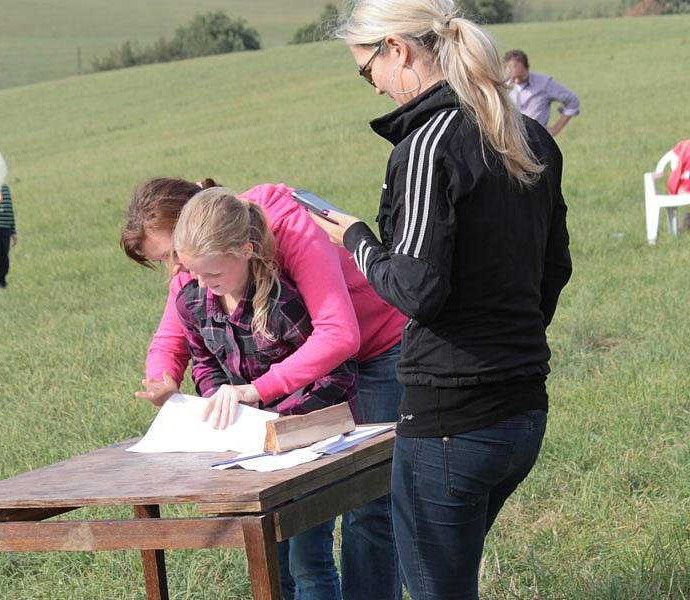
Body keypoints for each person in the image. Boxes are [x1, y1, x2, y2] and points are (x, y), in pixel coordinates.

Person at [309, 2, 572, 598]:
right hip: (523, 411)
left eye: (365, 69)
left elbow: (416, 290)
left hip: (451, 423)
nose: (372, 85)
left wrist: (355, 239)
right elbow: (554, 267)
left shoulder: (427, 147)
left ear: (397, 50)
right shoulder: (527, 135)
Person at [121, 177, 406, 599]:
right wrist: (162, 374)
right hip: (304, 381)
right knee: (292, 531)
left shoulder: (286, 231)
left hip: (375, 346)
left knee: (368, 504)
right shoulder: (205, 270)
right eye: (174, 262)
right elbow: (175, 335)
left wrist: (256, 391)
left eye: (172, 258)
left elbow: (340, 336)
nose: (177, 273)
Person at [173, 187, 358, 598]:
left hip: (304, 445)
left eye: (214, 275)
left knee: (309, 560)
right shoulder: (192, 301)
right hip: (248, 452)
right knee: (268, 559)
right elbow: (204, 363)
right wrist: (222, 400)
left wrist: (282, 418)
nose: (203, 285)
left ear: (247, 251)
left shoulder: (281, 303)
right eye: (193, 274)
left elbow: (337, 372)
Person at [503, 49, 580, 137]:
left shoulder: (544, 83)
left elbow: (573, 101)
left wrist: (556, 128)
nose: (516, 81)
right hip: (513, 141)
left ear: (527, 68)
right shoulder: (503, 87)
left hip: (538, 142)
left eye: (520, 76)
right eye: (513, 78)